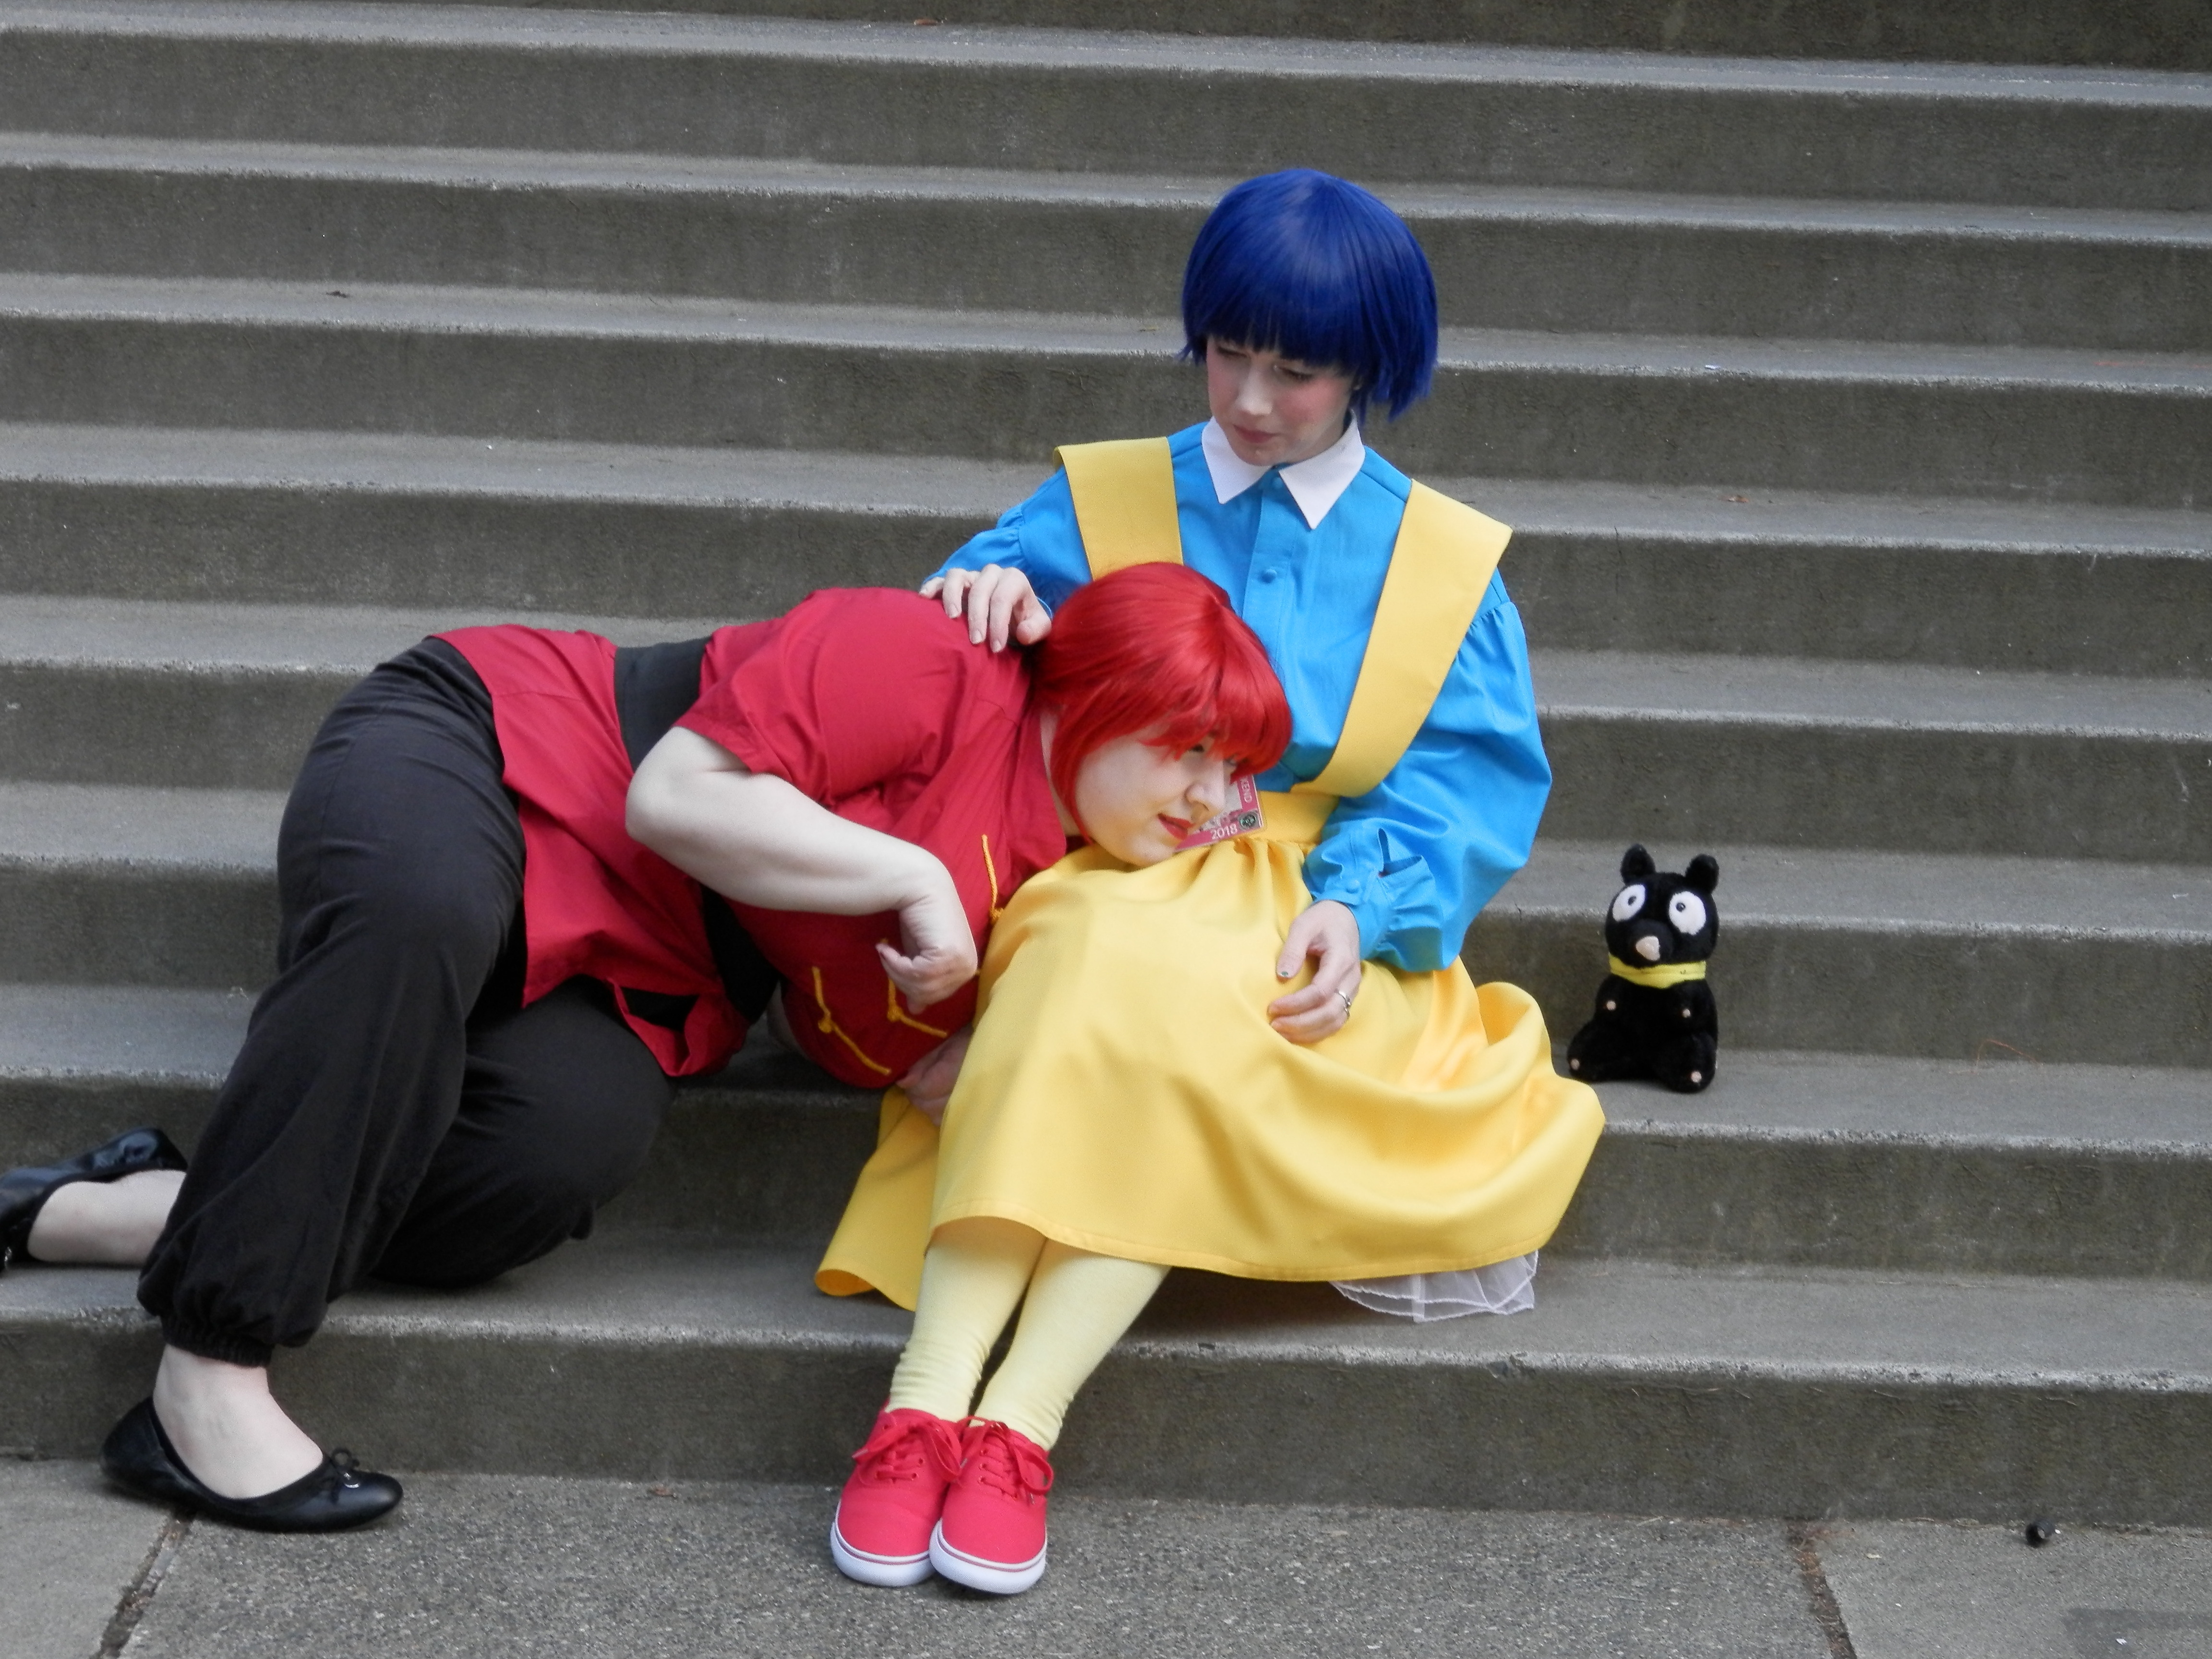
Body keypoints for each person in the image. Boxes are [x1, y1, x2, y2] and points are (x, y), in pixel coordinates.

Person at [0, 563, 1281, 1533]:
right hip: (504, 754)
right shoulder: (932, 653)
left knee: (551, 1158)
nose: (1210, 797)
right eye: (1189, 749)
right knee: (423, 912)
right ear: (1097, 701)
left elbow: (846, 1039)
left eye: (1235, 770)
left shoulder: (1082, 892)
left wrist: (986, 1044)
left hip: (652, 960)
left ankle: (109, 1210)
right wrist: (912, 879)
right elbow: (672, 796)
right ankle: (205, 1377)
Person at [817, 168, 1605, 1595]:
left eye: (1295, 372)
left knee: (1184, 1008)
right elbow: (955, 696)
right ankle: (920, 1416)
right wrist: (984, 611)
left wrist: (1360, 905)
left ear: (1369, 370)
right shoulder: (1101, 500)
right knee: (1094, 963)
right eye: (1228, 353)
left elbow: (1461, 787)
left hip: (1314, 902)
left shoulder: (1439, 561)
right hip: (1113, 870)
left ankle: (1013, 1428)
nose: (1249, 398)